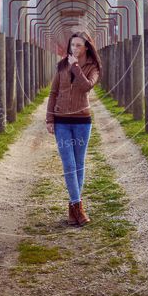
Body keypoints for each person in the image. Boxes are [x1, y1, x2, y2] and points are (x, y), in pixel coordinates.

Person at [45, 31, 102, 226]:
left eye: (78, 45)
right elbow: (53, 93)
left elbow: (87, 86)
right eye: (72, 45)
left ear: (86, 47)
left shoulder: (93, 68)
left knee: (79, 164)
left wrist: (75, 67)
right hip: (61, 122)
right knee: (68, 164)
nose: (74, 48)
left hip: (82, 122)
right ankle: (78, 207)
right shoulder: (61, 66)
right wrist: (49, 118)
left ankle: (73, 210)